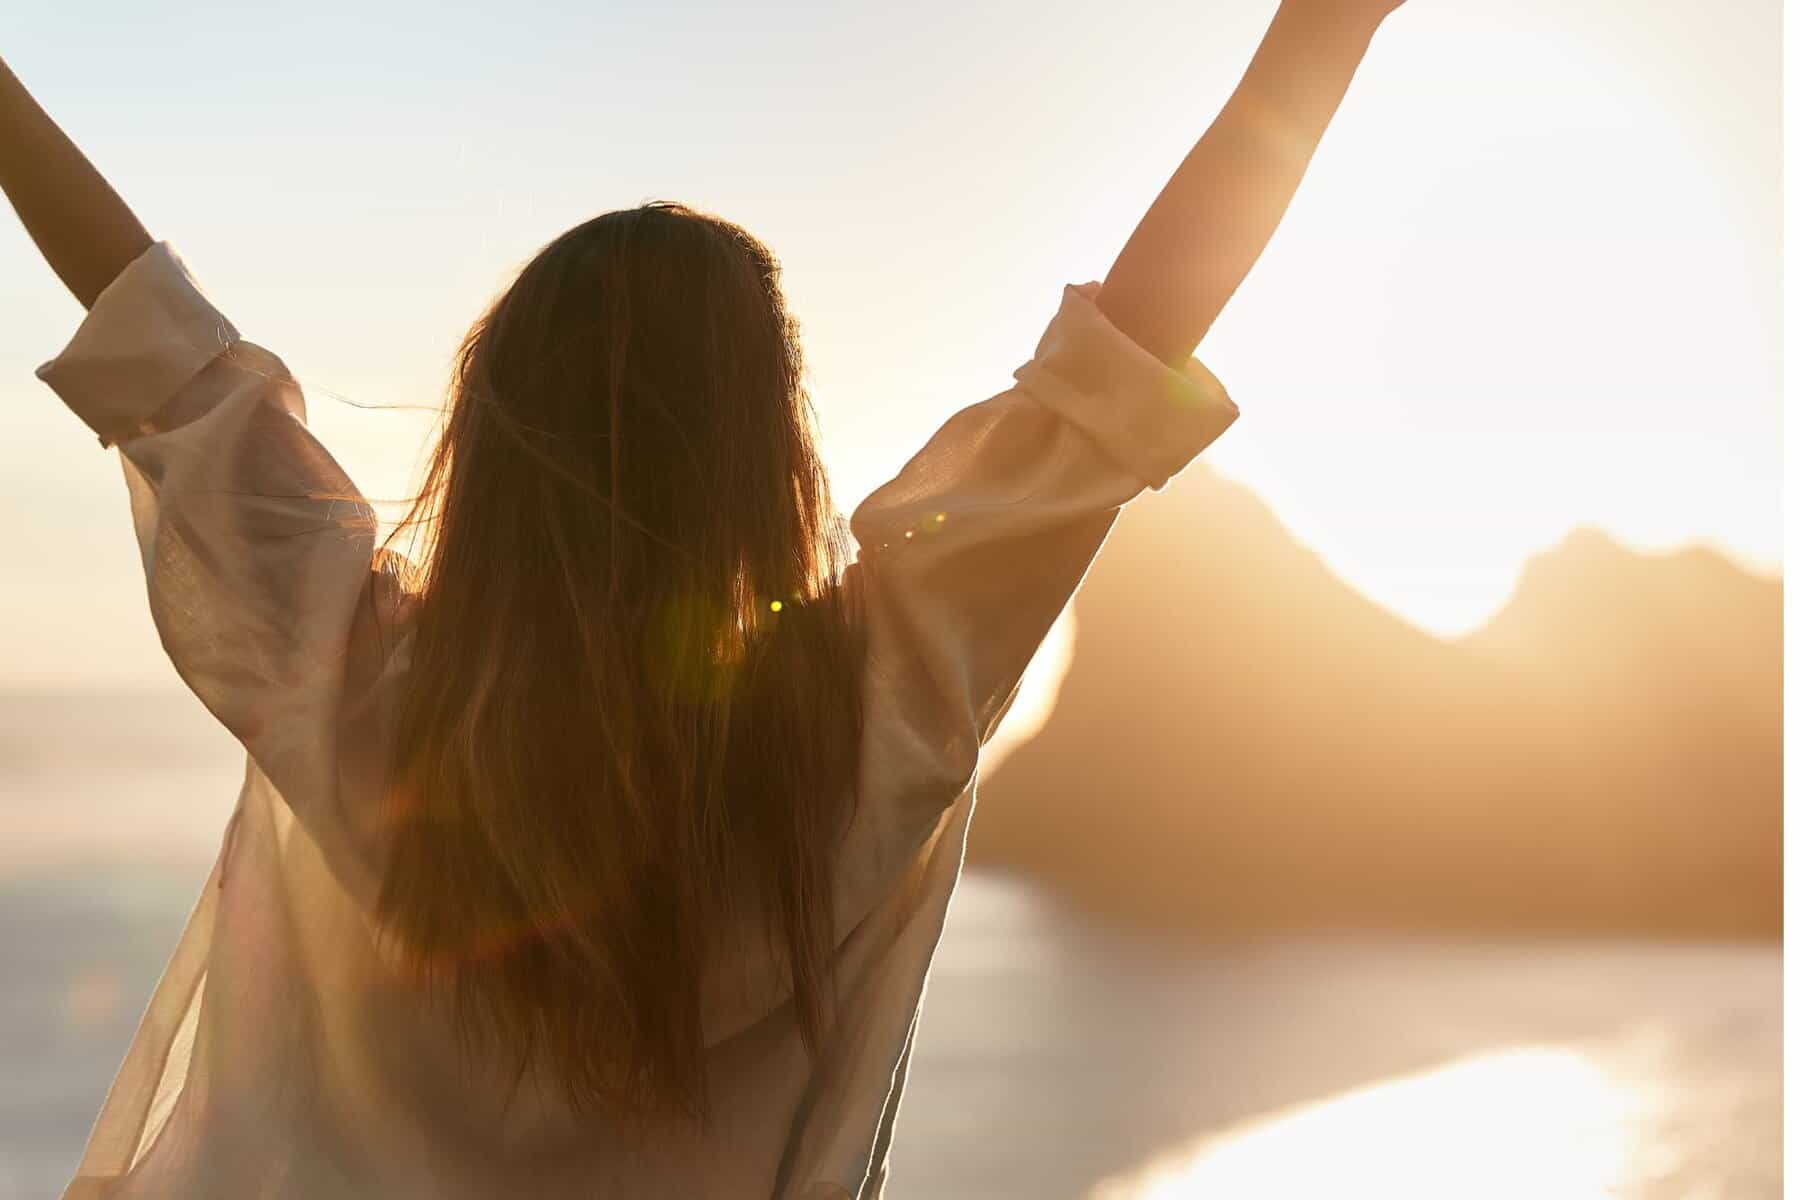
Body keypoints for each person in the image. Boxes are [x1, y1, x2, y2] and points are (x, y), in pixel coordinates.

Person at [2, 1, 1406, 1195]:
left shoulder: (358, 691)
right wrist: (1320, 37)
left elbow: (164, 356)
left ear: (490, 437)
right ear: (767, 462)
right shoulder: (860, 731)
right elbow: (1113, 373)